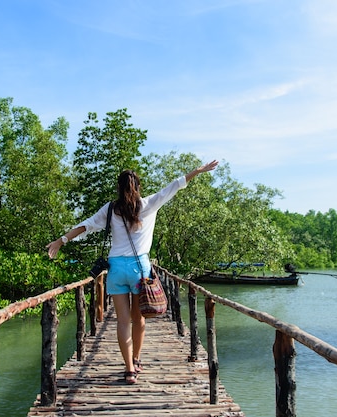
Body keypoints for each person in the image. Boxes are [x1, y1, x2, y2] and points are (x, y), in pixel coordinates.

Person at [46, 160, 219, 384]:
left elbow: (85, 225)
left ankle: (128, 369)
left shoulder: (110, 209)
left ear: (118, 187)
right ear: (137, 186)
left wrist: (61, 241)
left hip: (116, 269)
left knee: (122, 321)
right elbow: (175, 185)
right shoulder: (148, 204)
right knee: (139, 320)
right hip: (140, 269)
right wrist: (198, 170)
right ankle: (136, 360)